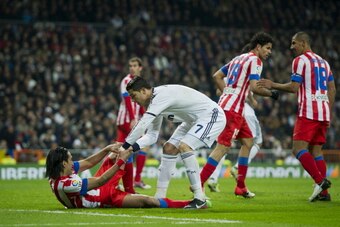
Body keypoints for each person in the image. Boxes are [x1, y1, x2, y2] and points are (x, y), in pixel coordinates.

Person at [117, 76, 226, 209]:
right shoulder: (153, 104)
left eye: (133, 96)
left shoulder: (159, 97)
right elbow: (152, 136)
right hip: (192, 120)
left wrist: (125, 146)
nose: (133, 100)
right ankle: (160, 197)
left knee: (185, 146)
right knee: (169, 148)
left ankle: (199, 198)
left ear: (144, 91)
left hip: (211, 115)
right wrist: (131, 148)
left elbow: (141, 125)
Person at [258, 31, 335, 202]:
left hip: (308, 111)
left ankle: (320, 182)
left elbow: (294, 88)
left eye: (294, 43)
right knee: (316, 151)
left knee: (298, 149)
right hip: (323, 112)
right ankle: (324, 194)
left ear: (303, 43)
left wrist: (272, 84)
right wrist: (327, 112)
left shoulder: (300, 61)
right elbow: (332, 89)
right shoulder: (324, 63)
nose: (291, 47)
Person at [200, 32, 278, 198]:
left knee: (248, 142)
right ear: (258, 47)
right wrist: (272, 94)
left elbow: (217, 76)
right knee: (223, 147)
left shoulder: (238, 58)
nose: (269, 52)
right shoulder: (255, 60)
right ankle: (198, 183)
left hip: (234, 108)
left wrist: (228, 93)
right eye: (267, 48)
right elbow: (255, 87)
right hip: (232, 110)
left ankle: (240, 187)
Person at [45, 143, 194, 209]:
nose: (73, 162)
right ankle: (188, 203)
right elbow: (100, 181)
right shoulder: (66, 184)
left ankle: (129, 190)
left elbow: (89, 162)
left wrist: (107, 149)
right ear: (64, 164)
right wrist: (120, 163)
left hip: (95, 191)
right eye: (70, 159)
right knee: (148, 201)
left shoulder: (60, 174)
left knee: (118, 152)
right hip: (101, 197)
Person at [208, 100, 263, 192]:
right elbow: (253, 90)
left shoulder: (228, 84)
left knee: (222, 146)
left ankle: (213, 179)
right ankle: (237, 168)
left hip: (226, 109)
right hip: (243, 109)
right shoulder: (244, 85)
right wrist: (253, 99)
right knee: (256, 142)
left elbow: (219, 91)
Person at [116, 57, 151, 193]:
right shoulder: (126, 80)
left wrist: (146, 115)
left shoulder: (140, 82)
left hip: (129, 120)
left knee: (120, 150)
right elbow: (127, 100)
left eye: (135, 65)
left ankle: (116, 182)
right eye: (130, 65)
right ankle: (136, 180)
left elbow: (140, 103)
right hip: (128, 120)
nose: (132, 68)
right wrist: (133, 119)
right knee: (143, 146)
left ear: (140, 67)